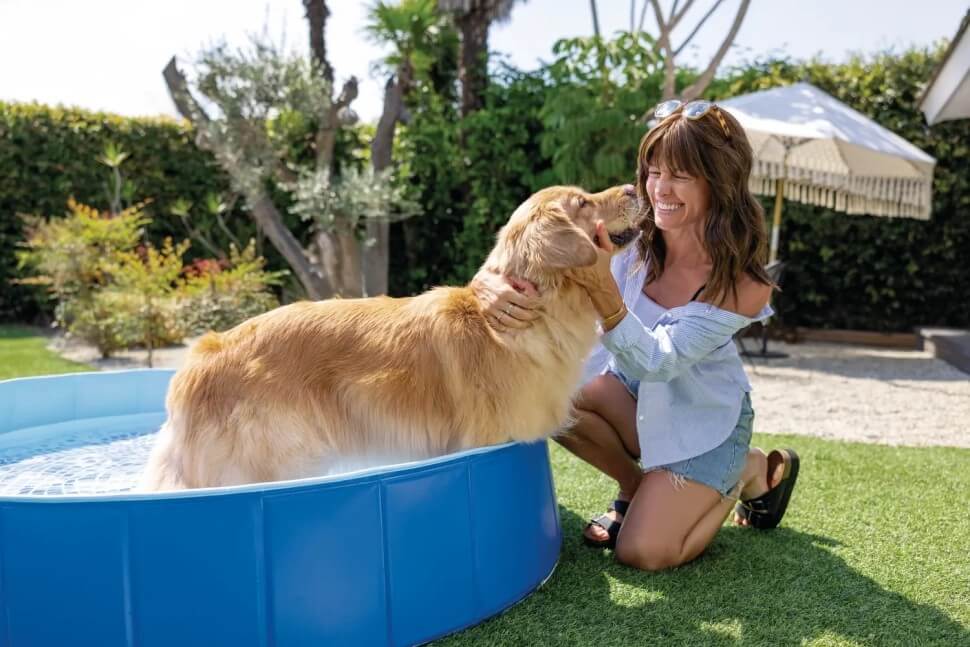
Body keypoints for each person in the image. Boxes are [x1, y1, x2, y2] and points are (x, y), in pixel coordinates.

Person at [472, 99, 799, 571]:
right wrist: (487, 286)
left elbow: (658, 362)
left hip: (702, 424)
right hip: (633, 398)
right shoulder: (630, 235)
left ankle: (743, 469)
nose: (660, 189)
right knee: (553, 401)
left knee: (643, 551)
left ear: (719, 181)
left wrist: (601, 285)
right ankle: (634, 487)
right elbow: (525, 248)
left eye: (680, 175)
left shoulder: (743, 285)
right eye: (654, 171)